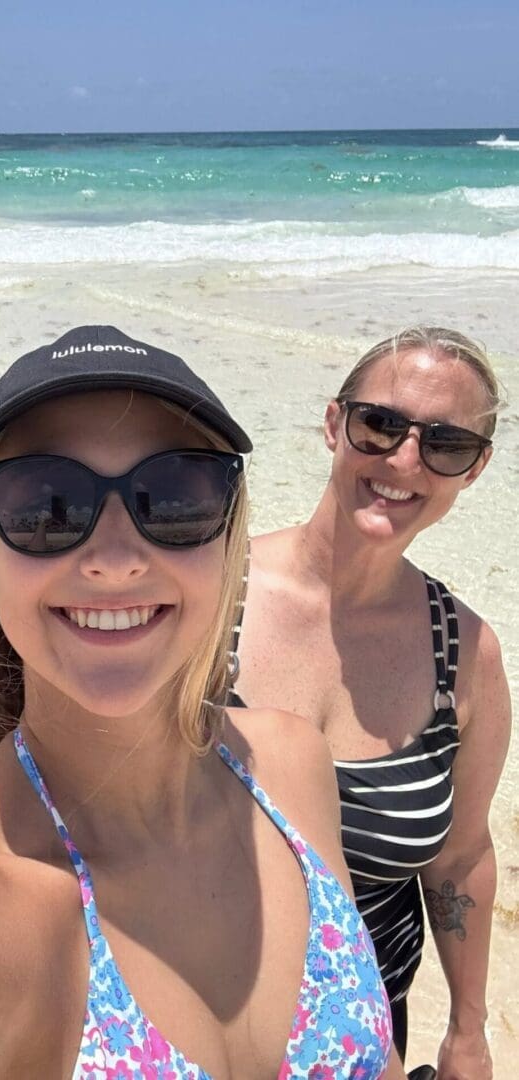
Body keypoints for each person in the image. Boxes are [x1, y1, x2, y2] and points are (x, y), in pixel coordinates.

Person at [0, 326, 405, 1080]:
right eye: (47, 504)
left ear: (227, 533)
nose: (116, 561)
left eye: (176, 497)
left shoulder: (292, 764)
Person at [232, 328, 511, 1079]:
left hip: (367, 1048)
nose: (403, 460)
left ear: (475, 468)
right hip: (199, 1024)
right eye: (380, 425)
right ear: (333, 424)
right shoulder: (212, 595)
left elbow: (460, 855)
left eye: (445, 444)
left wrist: (467, 1031)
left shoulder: (467, 657)